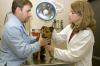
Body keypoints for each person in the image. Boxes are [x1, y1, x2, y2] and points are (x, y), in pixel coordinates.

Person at [0, 0, 50, 66]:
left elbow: (25, 39)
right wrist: (39, 44)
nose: (30, 14)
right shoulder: (12, 27)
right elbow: (22, 51)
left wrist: (36, 39)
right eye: (28, 11)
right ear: (18, 10)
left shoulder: (18, 23)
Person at [46, 1, 96, 66]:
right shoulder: (71, 27)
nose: (69, 14)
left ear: (82, 15)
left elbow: (73, 56)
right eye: (70, 12)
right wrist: (51, 25)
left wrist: (53, 49)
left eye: (72, 12)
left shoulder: (86, 34)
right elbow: (58, 39)